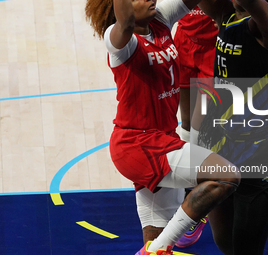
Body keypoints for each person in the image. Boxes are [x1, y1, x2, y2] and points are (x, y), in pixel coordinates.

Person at [84, 0, 241, 254]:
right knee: (226, 175)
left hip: (163, 140)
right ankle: (158, 247)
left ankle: (154, 247)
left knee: (154, 233)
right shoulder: (121, 42)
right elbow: (125, 21)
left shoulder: (160, 20)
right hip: (139, 144)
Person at [194, 0, 268, 254]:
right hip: (223, 144)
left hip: (264, 151)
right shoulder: (224, 16)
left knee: (246, 247)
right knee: (224, 241)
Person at [172, 6, 218, 248]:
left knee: (203, 128)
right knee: (187, 125)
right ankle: (190, 193)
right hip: (184, 43)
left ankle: (198, 204)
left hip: (214, 47)